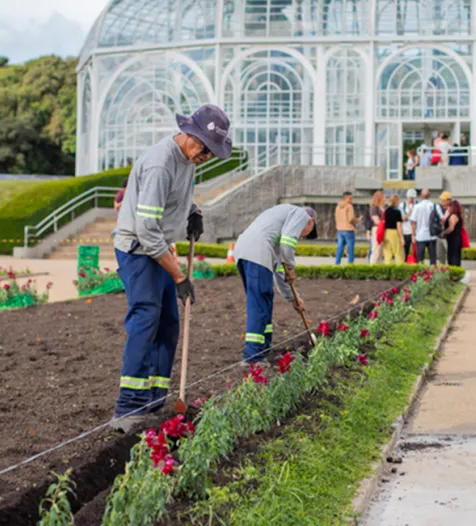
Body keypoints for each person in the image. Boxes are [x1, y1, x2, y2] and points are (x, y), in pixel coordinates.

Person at [108, 104, 229, 433]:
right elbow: (146, 230)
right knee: (146, 316)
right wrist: (179, 276)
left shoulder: (187, 158)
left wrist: (193, 210)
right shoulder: (161, 164)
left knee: (169, 323)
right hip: (138, 249)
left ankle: (155, 397)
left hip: (159, 247)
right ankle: (128, 407)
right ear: (191, 136)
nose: (206, 157)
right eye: (205, 149)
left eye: (210, 152)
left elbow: (180, 195)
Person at [235, 204, 318, 365]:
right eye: (307, 233)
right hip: (257, 253)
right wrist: (291, 265)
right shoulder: (301, 215)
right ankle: (252, 357)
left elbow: (281, 275)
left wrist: (294, 299)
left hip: (245, 252)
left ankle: (263, 350)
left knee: (264, 301)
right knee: (259, 303)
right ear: (311, 221)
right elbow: (288, 244)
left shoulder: (278, 232)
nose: (302, 236)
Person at [410, 189, 443, 264]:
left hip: (420, 235)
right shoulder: (435, 206)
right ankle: (432, 273)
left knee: (420, 258)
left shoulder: (417, 207)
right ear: (429, 195)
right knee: (433, 258)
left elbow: (413, 222)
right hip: (432, 235)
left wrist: (413, 235)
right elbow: (442, 219)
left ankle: (421, 274)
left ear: (421, 196)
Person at [334, 191, 358, 265]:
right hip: (348, 230)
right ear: (346, 198)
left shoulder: (338, 206)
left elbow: (336, 217)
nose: (351, 200)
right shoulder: (349, 206)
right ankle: (350, 265)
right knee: (350, 249)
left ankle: (337, 264)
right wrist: (357, 220)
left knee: (340, 248)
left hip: (340, 230)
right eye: (350, 198)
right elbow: (351, 219)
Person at [440, 199, 464, 266]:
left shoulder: (453, 216)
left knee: (453, 257)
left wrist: (444, 233)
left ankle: (454, 271)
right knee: (456, 256)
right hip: (456, 239)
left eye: (449, 207)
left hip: (453, 239)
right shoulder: (458, 216)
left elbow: (451, 228)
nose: (447, 208)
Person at [382, 194, 405, 264]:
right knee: (398, 253)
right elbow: (399, 226)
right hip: (394, 233)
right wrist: (402, 238)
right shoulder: (397, 212)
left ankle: (387, 270)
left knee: (387, 253)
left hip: (386, 232)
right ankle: (399, 270)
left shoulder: (386, 211)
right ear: (396, 201)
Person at [368, 190, 386, 264]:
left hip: (383, 229)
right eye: (384, 197)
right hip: (377, 230)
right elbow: (376, 221)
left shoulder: (383, 207)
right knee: (376, 250)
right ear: (379, 198)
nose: (385, 198)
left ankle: (378, 268)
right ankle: (372, 267)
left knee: (380, 251)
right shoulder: (374, 207)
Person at [437, 191, 453, 262]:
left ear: (448, 200)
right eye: (442, 199)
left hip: (448, 237)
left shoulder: (452, 210)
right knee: (440, 257)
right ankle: (443, 272)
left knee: (451, 256)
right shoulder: (439, 209)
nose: (442, 201)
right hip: (439, 236)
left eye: (444, 199)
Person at [401, 189, 417, 258]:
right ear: (407, 197)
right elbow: (400, 219)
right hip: (406, 232)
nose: (412, 199)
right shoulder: (402, 205)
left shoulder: (417, 205)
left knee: (416, 252)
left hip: (415, 232)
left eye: (413, 197)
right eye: (410, 197)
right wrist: (408, 215)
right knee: (405, 251)